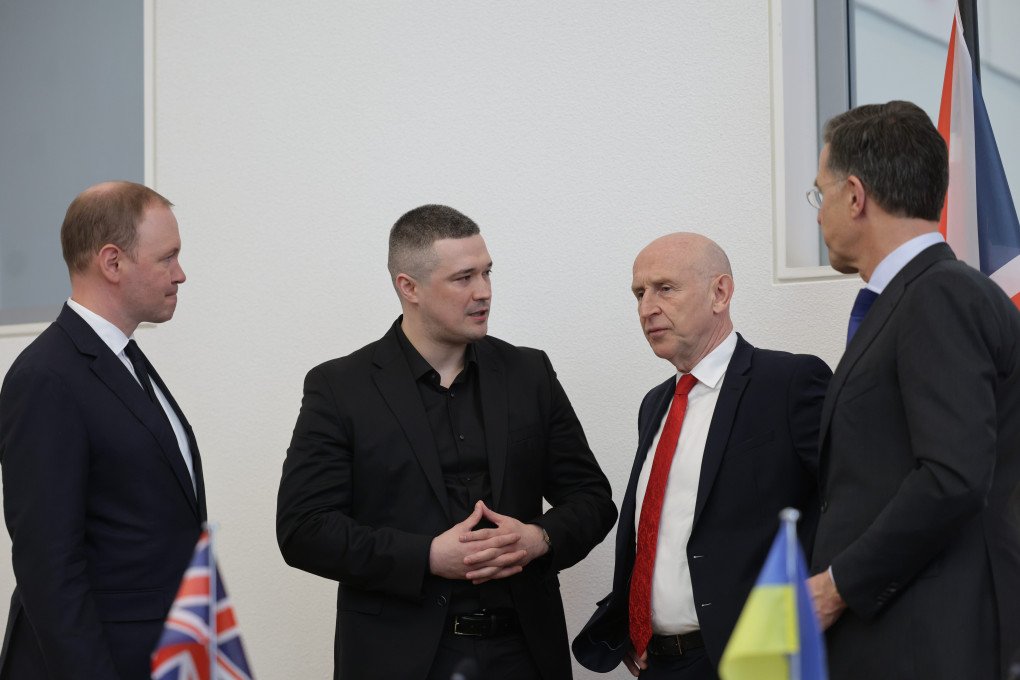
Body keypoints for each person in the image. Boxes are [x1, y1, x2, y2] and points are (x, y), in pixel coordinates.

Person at [276, 204, 617, 680]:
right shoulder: (340, 387)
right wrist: (428, 557)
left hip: (524, 653)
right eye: (463, 278)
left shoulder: (529, 373)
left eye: (487, 273)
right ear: (408, 287)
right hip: (399, 660)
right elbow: (303, 530)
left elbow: (593, 500)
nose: (484, 293)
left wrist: (538, 538)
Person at [807, 100, 1020, 680]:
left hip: (928, 641)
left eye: (819, 194)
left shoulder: (938, 295)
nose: (818, 213)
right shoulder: (921, 296)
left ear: (855, 195)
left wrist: (837, 585)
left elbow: (953, 476)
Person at [572, 233, 830, 679]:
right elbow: (660, 530)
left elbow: (845, 502)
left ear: (720, 293)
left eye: (665, 288)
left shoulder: (788, 382)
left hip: (755, 661)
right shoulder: (656, 403)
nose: (647, 308)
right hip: (659, 663)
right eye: (639, 293)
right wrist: (634, 623)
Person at [0, 182, 206, 679]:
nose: (181, 275)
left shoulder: (126, 360)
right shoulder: (46, 377)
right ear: (112, 263)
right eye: (167, 258)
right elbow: (49, 569)